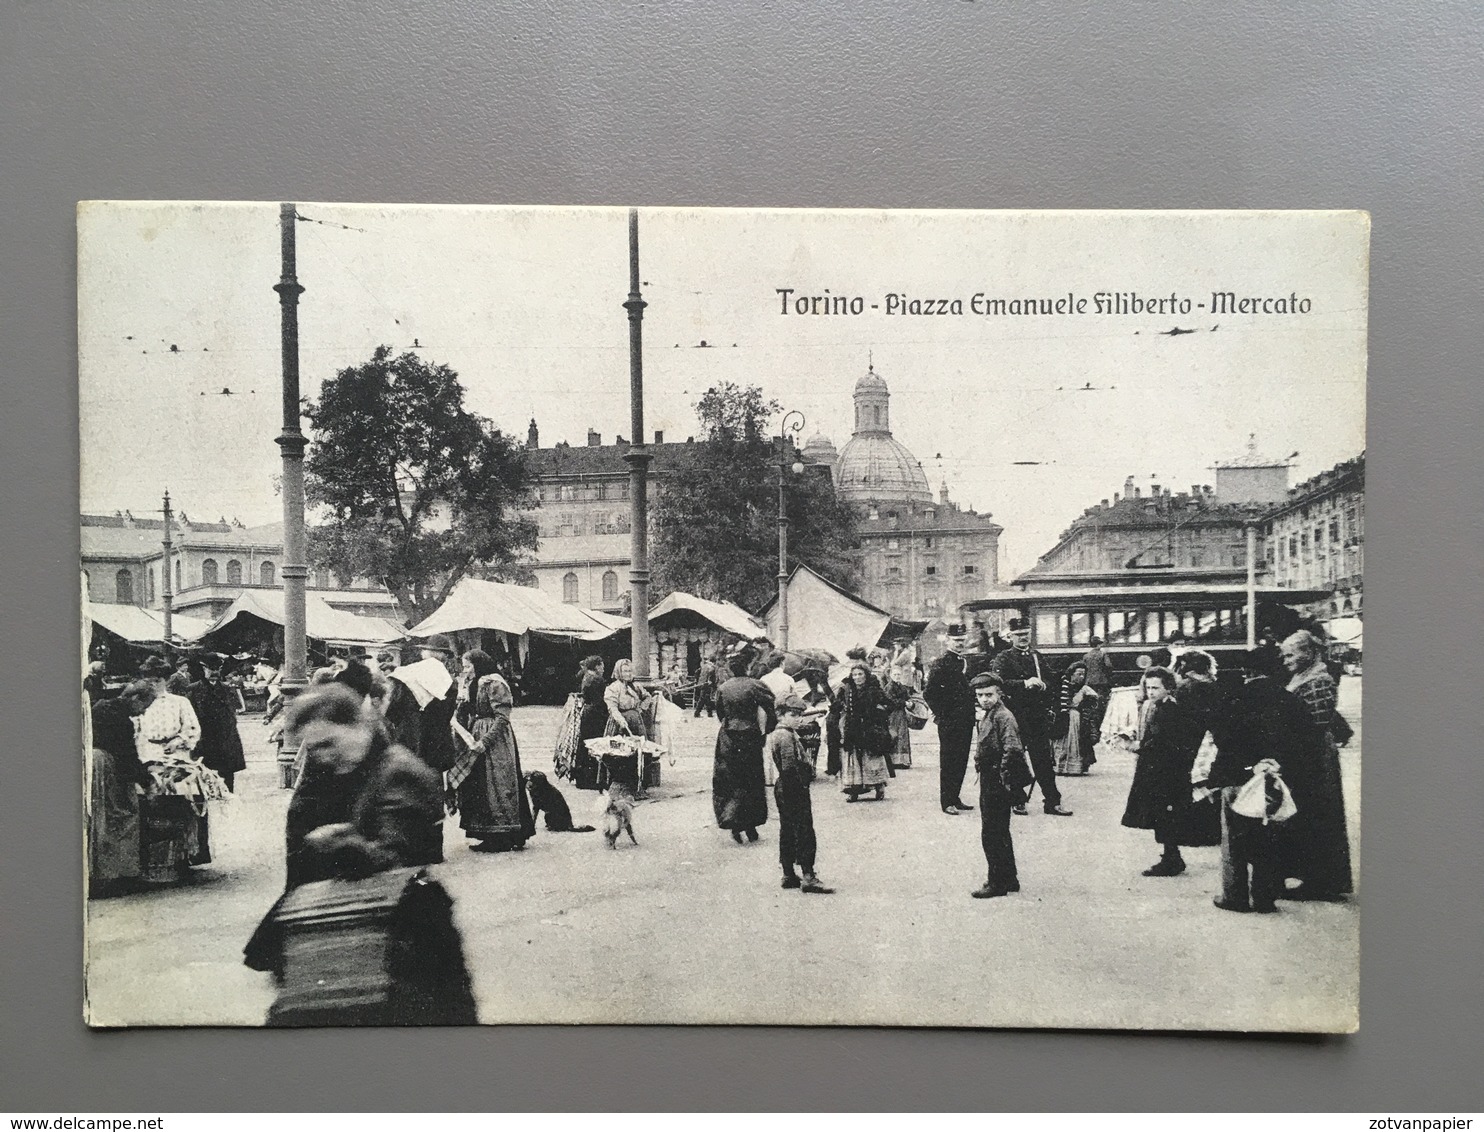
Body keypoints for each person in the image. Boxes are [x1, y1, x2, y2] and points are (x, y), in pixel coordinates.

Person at [283, 685, 445, 889]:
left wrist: (338, 843)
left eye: (329, 744)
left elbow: (397, 861)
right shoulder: (322, 772)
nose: (322, 756)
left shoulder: (400, 772)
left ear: (358, 727)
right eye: (313, 748)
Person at [1199, 649, 1314, 914]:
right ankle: (1265, 898)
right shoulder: (1290, 700)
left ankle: (1235, 897)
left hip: (1237, 777)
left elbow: (1219, 735)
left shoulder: (1233, 698)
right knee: (1269, 839)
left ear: (1246, 673)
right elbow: (1305, 740)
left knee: (1234, 842)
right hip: (1276, 780)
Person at [1280, 630, 1354, 901]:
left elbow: (1317, 723)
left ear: (1308, 653)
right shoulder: (1303, 676)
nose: (1286, 660)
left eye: (1291, 654)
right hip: (1306, 755)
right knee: (1307, 816)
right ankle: (1311, 877)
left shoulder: (1319, 679)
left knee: (1318, 815)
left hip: (1314, 758)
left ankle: (1320, 881)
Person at [448, 650, 536, 852]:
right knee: (480, 785)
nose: (465, 670)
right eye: (464, 666)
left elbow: (502, 718)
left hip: (495, 742)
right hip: (476, 735)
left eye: (468, 666)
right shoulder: (474, 684)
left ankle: (503, 836)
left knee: (497, 785)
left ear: (479, 665)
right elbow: (468, 710)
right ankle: (488, 835)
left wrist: (486, 740)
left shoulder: (494, 683)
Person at [134, 654, 212, 879]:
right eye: (148, 679)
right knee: (150, 803)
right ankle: (153, 860)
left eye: (157, 679)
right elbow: (136, 732)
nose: (153, 683)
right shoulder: (140, 703)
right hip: (148, 754)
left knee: (180, 802)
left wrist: (178, 742)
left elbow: (192, 728)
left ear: (165, 680)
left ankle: (181, 856)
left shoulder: (180, 702)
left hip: (176, 754)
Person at [1121, 666, 1204, 876]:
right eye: (1148, 687)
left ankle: (1171, 859)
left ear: (1168, 688)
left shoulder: (1170, 710)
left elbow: (1163, 742)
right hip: (1159, 770)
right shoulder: (1158, 706)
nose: (1151, 692)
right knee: (1162, 814)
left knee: (1165, 815)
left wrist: (1138, 746)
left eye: (1156, 687)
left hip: (1165, 773)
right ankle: (1171, 855)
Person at [992, 618, 1073, 816]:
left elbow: (1049, 678)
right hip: (1015, 715)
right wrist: (1024, 683)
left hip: (1037, 716)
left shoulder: (1037, 656)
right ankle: (1017, 799)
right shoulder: (1004, 657)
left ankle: (1052, 801)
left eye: (1026, 634)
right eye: (1019, 635)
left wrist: (1048, 682)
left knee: (1043, 760)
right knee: (1015, 758)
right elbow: (999, 683)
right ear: (1010, 636)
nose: (1023, 638)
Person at [88, 682, 157, 893]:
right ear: (136, 699)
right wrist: (147, 782)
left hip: (94, 764)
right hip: (107, 766)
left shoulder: (101, 706)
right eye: (145, 705)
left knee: (100, 819)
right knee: (124, 815)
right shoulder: (121, 719)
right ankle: (121, 874)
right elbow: (127, 757)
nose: (144, 711)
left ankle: (102, 873)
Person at [969, 674, 1029, 899]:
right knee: (999, 830)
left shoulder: (1003, 716)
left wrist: (1002, 777)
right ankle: (1009, 878)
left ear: (999, 694)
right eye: (980, 695)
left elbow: (1013, 749)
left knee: (992, 832)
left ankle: (997, 882)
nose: (984, 699)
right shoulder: (992, 714)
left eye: (989, 695)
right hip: (992, 776)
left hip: (997, 779)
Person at [767, 696, 833, 894]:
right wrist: (802, 781)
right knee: (804, 831)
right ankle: (808, 876)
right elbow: (789, 766)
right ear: (781, 715)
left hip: (784, 787)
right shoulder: (786, 736)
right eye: (792, 715)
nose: (797, 719)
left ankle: (788, 873)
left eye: (799, 715)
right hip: (793, 786)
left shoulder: (780, 732)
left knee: (787, 830)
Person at [713, 646, 775, 842]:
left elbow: (720, 712)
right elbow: (770, 706)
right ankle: (751, 825)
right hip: (750, 737)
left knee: (729, 780)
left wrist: (729, 724)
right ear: (748, 667)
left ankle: (733, 823)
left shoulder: (724, 688)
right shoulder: (756, 685)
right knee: (752, 780)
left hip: (728, 738)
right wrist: (767, 729)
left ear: (731, 670)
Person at [924, 624, 977, 815]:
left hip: (966, 719)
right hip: (950, 722)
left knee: (961, 760)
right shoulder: (941, 664)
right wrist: (943, 714)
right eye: (956, 640)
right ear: (948, 641)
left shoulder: (965, 662)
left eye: (962, 640)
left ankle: (955, 797)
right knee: (949, 762)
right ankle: (947, 801)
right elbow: (929, 693)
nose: (960, 643)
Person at [829, 658, 893, 802]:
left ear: (866, 675)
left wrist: (879, 712)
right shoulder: (846, 689)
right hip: (852, 728)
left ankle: (878, 787)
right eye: (854, 675)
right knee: (852, 760)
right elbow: (836, 706)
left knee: (871, 758)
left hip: (870, 729)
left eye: (860, 674)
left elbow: (889, 704)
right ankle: (853, 790)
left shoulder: (874, 689)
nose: (857, 677)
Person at [188, 652, 247, 792]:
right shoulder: (194, 690)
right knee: (204, 782)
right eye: (210, 669)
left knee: (227, 782)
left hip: (224, 741)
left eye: (217, 669)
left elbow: (232, 715)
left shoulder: (227, 689)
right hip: (204, 741)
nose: (214, 672)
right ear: (204, 670)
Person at [1052, 661, 1100, 775]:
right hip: (1064, 718)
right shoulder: (1062, 686)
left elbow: (1094, 700)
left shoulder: (1084, 688)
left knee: (1076, 743)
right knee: (1062, 743)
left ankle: (1075, 767)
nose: (1081, 677)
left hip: (1076, 719)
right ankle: (1061, 766)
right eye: (1079, 674)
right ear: (1071, 674)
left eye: (1083, 674)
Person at [572, 655, 609, 790]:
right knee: (594, 744)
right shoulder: (597, 679)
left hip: (588, 712)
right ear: (597, 666)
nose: (603, 669)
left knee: (585, 744)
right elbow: (602, 699)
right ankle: (591, 779)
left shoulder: (587, 676)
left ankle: (581, 778)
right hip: (596, 714)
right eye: (602, 666)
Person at [878, 644, 916, 771]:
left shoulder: (902, 686)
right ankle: (894, 760)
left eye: (899, 675)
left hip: (901, 715)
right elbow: (890, 701)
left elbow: (907, 698)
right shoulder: (889, 687)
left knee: (903, 736)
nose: (897, 677)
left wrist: (910, 703)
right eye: (895, 675)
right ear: (891, 675)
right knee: (894, 735)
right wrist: (904, 703)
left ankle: (902, 760)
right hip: (893, 715)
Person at [1081, 636, 1114, 735]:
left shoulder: (1086, 656)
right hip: (1101, 682)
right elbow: (1108, 666)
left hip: (1089, 682)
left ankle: (1093, 724)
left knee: (1092, 703)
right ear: (1098, 644)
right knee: (1101, 702)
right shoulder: (1103, 654)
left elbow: (1084, 668)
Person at [693, 653, 717, 718]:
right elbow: (712, 675)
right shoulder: (712, 667)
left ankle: (709, 713)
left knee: (706, 699)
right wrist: (712, 682)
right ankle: (697, 713)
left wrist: (697, 680)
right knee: (703, 698)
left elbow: (697, 672)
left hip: (702, 683)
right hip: (707, 684)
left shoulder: (704, 666)